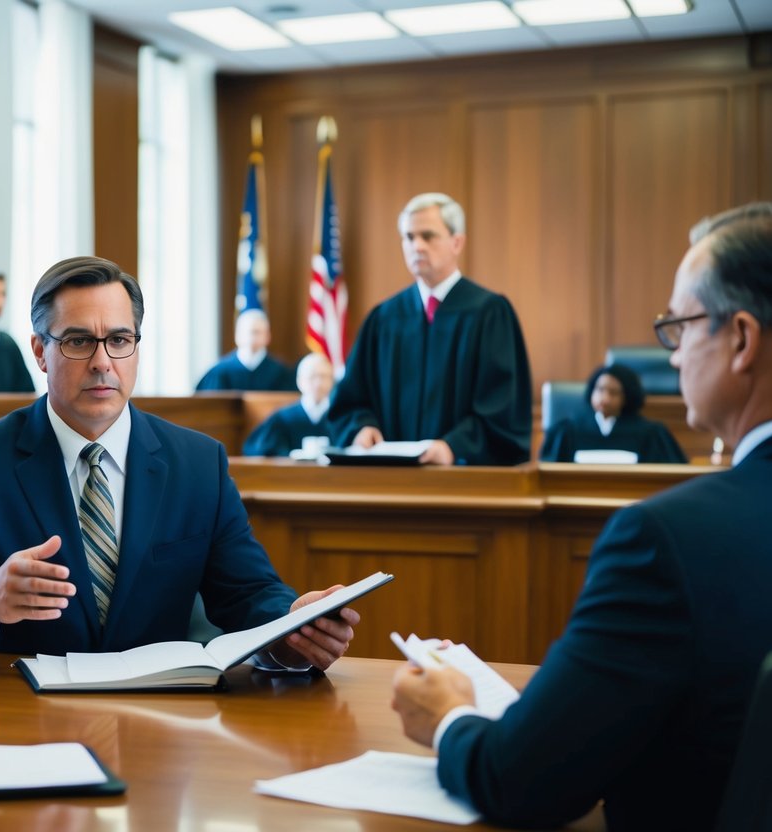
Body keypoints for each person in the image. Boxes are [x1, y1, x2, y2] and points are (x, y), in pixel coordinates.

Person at [390, 209, 772, 831]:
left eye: (678, 327)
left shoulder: (664, 542)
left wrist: (450, 717)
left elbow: (521, 780)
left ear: (742, 340)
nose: (671, 359)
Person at [0, 256, 358, 666]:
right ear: (40, 352)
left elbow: (249, 593)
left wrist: (294, 625)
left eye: (118, 339)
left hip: (162, 724)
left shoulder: (198, 463)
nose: (102, 361)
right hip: (22, 725)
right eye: (77, 341)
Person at [329, 193, 531, 465]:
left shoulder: (489, 313)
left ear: (457, 242)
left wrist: (453, 447)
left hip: (464, 484)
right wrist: (361, 429)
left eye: (428, 236)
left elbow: (503, 410)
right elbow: (350, 401)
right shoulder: (385, 318)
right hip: (389, 483)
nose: (417, 246)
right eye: (409, 237)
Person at [539, 363, 686, 463]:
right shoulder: (567, 431)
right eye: (600, 389)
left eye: (614, 393)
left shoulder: (651, 434)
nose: (605, 398)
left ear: (627, 396)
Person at [243, 352, 336, 457]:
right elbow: (260, 451)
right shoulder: (282, 419)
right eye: (312, 376)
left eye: (324, 377)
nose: (318, 383)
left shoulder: (340, 418)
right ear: (299, 381)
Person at [196, 309, 297, 392]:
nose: (251, 337)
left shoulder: (281, 373)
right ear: (236, 335)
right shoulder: (219, 372)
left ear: (268, 336)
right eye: (247, 332)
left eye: (257, 332)